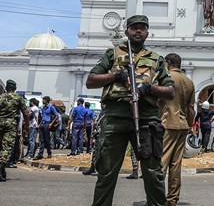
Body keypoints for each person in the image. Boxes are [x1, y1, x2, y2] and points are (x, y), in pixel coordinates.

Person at [85, 14, 175, 206]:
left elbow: (170, 91)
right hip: (115, 118)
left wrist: (149, 88)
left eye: (142, 27)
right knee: (106, 173)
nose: (138, 30)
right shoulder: (113, 54)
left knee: (153, 173)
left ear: (147, 33)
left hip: (146, 119)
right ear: (127, 31)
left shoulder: (156, 59)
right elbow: (91, 80)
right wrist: (117, 75)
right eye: (134, 27)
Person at [159, 53, 196, 206]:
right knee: (176, 164)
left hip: (167, 123)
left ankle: (157, 198)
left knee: (161, 163)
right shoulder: (189, 81)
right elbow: (191, 108)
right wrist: (190, 124)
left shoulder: (165, 78)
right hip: (182, 125)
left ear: (168, 63)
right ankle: (172, 199)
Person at [0, 79, 30, 182]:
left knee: (1, 146)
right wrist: (27, 126)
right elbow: (26, 113)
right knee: (7, 148)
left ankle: (1, 171)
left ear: (6, 88)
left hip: (0, 123)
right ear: (14, 88)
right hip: (11, 124)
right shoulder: (18, 98)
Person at [83, 102, 105, 176]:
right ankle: (92, 167)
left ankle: (97, 169)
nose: (101, 104)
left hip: (103, 134)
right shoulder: (102, 111)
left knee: (100, 152)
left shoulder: (107, 112)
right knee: (95, 151)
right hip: (98, 133)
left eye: (103, 103)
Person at [35, 96, 59, 160]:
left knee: (47, 140)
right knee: (41, 140)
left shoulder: (51, 107)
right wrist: (39, 125)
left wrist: (51, 123)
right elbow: (42, 117)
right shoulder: (43, 108)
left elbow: (57, 116)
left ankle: (49, 153)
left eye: (43, 100)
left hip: (47, 124)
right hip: (42, 124)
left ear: (46, 100)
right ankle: (40, 154)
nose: (42, 101)